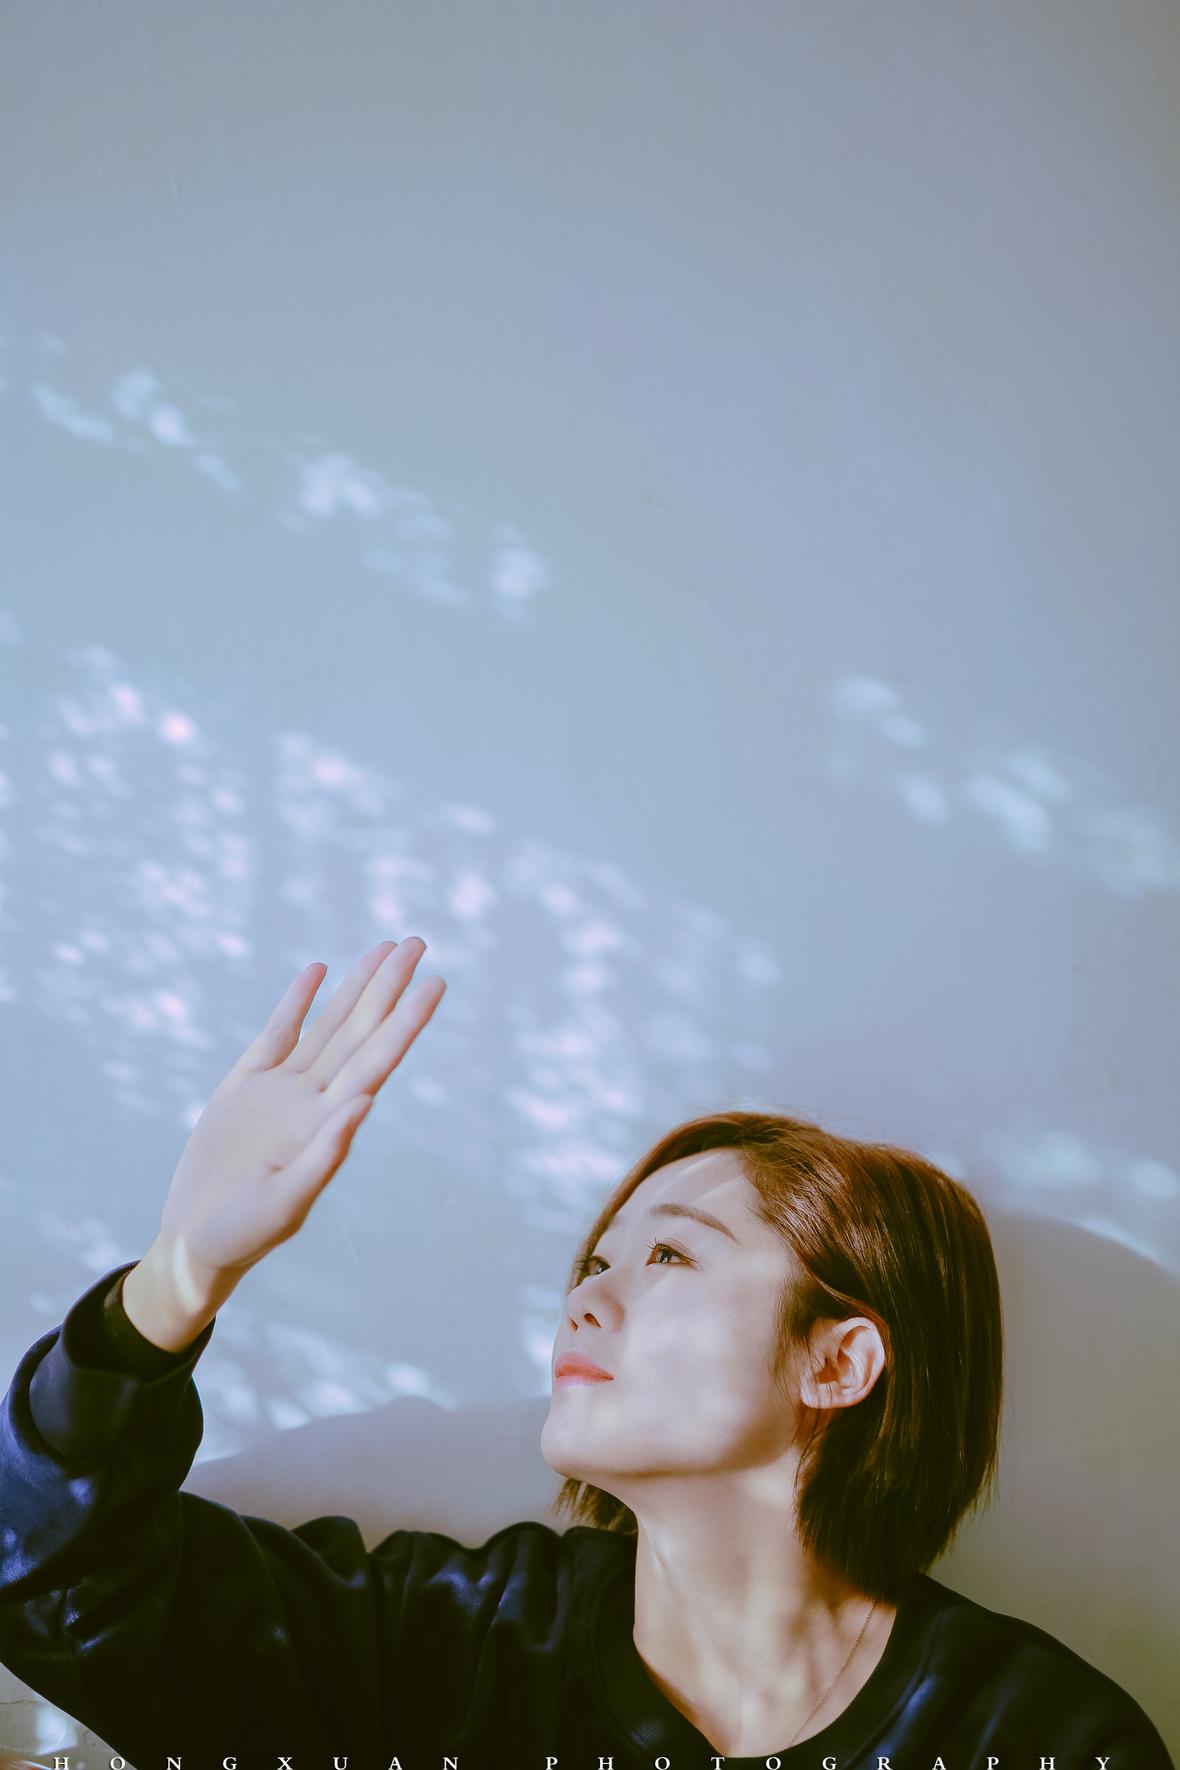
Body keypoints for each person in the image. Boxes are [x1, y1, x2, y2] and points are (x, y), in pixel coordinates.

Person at [0, 937, 1172, 1768]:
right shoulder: (451, 1647)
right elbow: (48, 1574)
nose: (586, 1301)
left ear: (838, 1363)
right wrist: (175, 1282)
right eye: (593, 1263)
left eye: (669, 1256)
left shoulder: (1040, 1737)